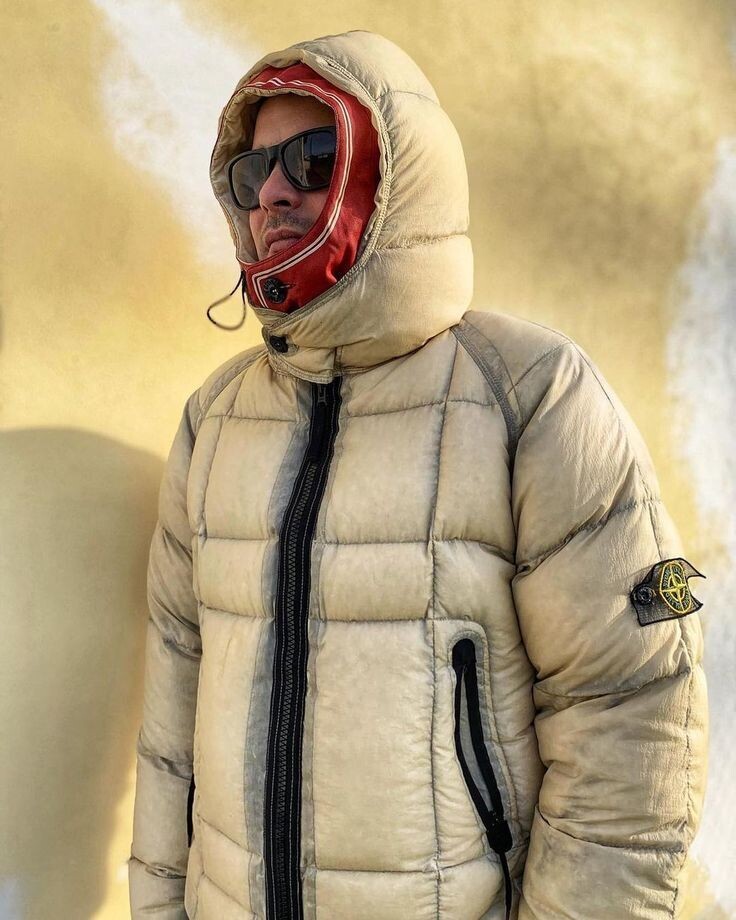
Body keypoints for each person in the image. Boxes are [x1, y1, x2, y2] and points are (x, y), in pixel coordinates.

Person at [128, 29, 708, 920]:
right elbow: (173, 731)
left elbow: (633, 717)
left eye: (311, 158)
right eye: (250, 173)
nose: (272, 191)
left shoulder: (529, 395)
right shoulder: (215, 420)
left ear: (392, 177)